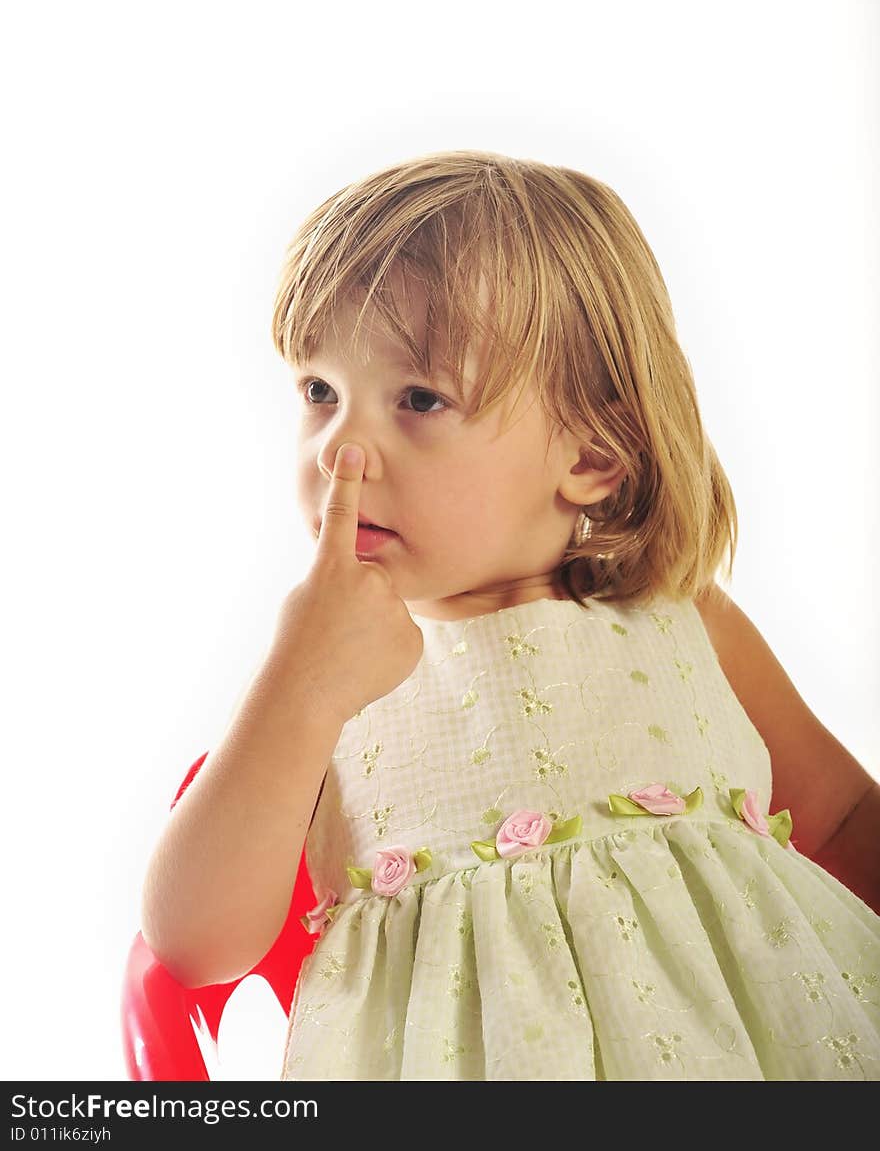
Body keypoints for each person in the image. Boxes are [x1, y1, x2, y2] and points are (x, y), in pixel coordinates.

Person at [140, 150, 880, 1081]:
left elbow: (844, 814)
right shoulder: (333, 673)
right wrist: (301, 684)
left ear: (593, 456)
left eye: (418, 398)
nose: (340, 449)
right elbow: (193, 946)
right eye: (320, 392)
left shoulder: (679, 617)